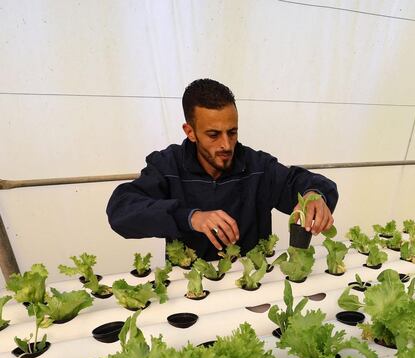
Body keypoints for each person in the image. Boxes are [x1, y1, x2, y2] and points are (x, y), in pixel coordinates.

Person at [106, 78, 338, 260]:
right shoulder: (168, 166)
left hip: (251, 286)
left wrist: (315, 196)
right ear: (190, 132)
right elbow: (121, 209)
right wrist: (190, 217)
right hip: (189, 289)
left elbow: (303, 182)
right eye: (213, 135)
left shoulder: (257, 167)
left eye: (232, 132)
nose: (226, 145)